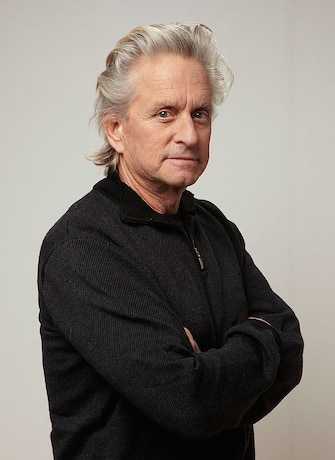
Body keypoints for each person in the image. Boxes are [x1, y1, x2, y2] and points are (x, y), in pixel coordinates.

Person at [38, 22, 303, 459]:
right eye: (165, 113)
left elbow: (291, 343)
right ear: (116, 130)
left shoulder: (214, 226)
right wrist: (257, 342)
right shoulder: (83, 247)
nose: (189, 134)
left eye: (199, 113)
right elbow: (192, 403)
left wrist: (216, 363)